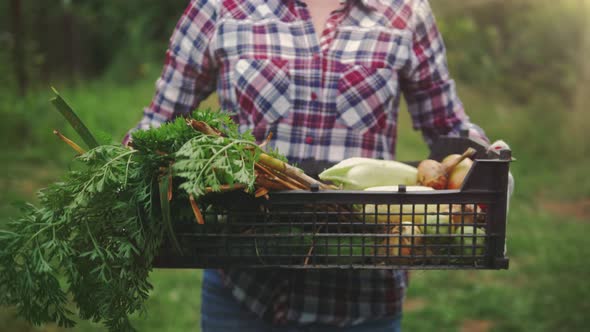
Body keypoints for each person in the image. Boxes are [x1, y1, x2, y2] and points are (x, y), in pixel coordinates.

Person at [125, 0, 511, 331]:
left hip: (365, 302)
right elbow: (158, 125)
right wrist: (122, 165)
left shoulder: (405, 11)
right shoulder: (220, 7)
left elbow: (448, 127)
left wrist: (484, 161)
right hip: (241, 295)